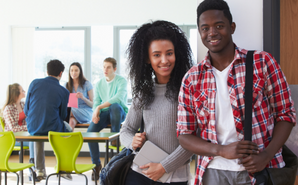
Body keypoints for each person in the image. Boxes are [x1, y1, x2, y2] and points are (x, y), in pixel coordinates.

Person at [176, 0, 296, 185]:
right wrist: (221, 151)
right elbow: (184, 134)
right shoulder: (192, 78)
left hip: (260, 169)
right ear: (200, 32)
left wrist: (266, 154)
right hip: (212, 172)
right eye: (205, 28)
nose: (212, 33)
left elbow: (285, 114)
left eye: (219, 26)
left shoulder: (261, 62)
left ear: (232, 27)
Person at [120, 20, 194, 185]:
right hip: (140, 172)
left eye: (169, 53)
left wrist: (163, 166)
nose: (164, 60)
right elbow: (126, 130)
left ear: (177, 54)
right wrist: (132, 141)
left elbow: (193, 140)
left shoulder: (187, 91)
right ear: (147, 59)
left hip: (174, 176)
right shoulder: (143, 93)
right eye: (156, 55)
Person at [25, 59, 74, 181]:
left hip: (33, 126)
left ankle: (40, 169)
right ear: (61, 73)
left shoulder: (34, 83)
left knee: (37, 131)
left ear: (47, 71)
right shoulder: (64, 91)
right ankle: (63, 168)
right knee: (68, 130)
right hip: (53, 127)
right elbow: (63, 116)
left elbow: (26, 110)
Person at [87, 57, 128, 180]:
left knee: (114, 106)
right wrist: (96, 112)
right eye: (104, 67)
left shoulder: (121, 81)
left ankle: (115, 137)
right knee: (90, 133)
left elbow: (118, 98)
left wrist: (99, 107)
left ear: (114, 69)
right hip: (105, 113)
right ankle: (96, 165)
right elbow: (96, 101)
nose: (105, 69)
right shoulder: (99, 83)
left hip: (118, 112)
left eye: (108, 67)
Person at [2, 83, 34, 168]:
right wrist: (28, 127)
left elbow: (29, 119)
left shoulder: (23, 104)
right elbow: (13, 129)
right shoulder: (8, 109)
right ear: (16, 93)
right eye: (22, 90)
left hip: (23, 136)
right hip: (13, 138)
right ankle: (33, 166)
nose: (24, 91)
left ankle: (34, 165)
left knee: (35, 141)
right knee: (33, 142)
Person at [65, 62, 93, 129]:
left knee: (68, 111)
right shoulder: (66, 85)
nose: (73, 72)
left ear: (80, 72)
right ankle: (68, 139)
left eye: (76, 70)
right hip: (73, 113)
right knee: (71, 122)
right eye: (71, 70)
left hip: (85, 112)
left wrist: (83, 98)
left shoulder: (87, 84)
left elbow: (93, 104)